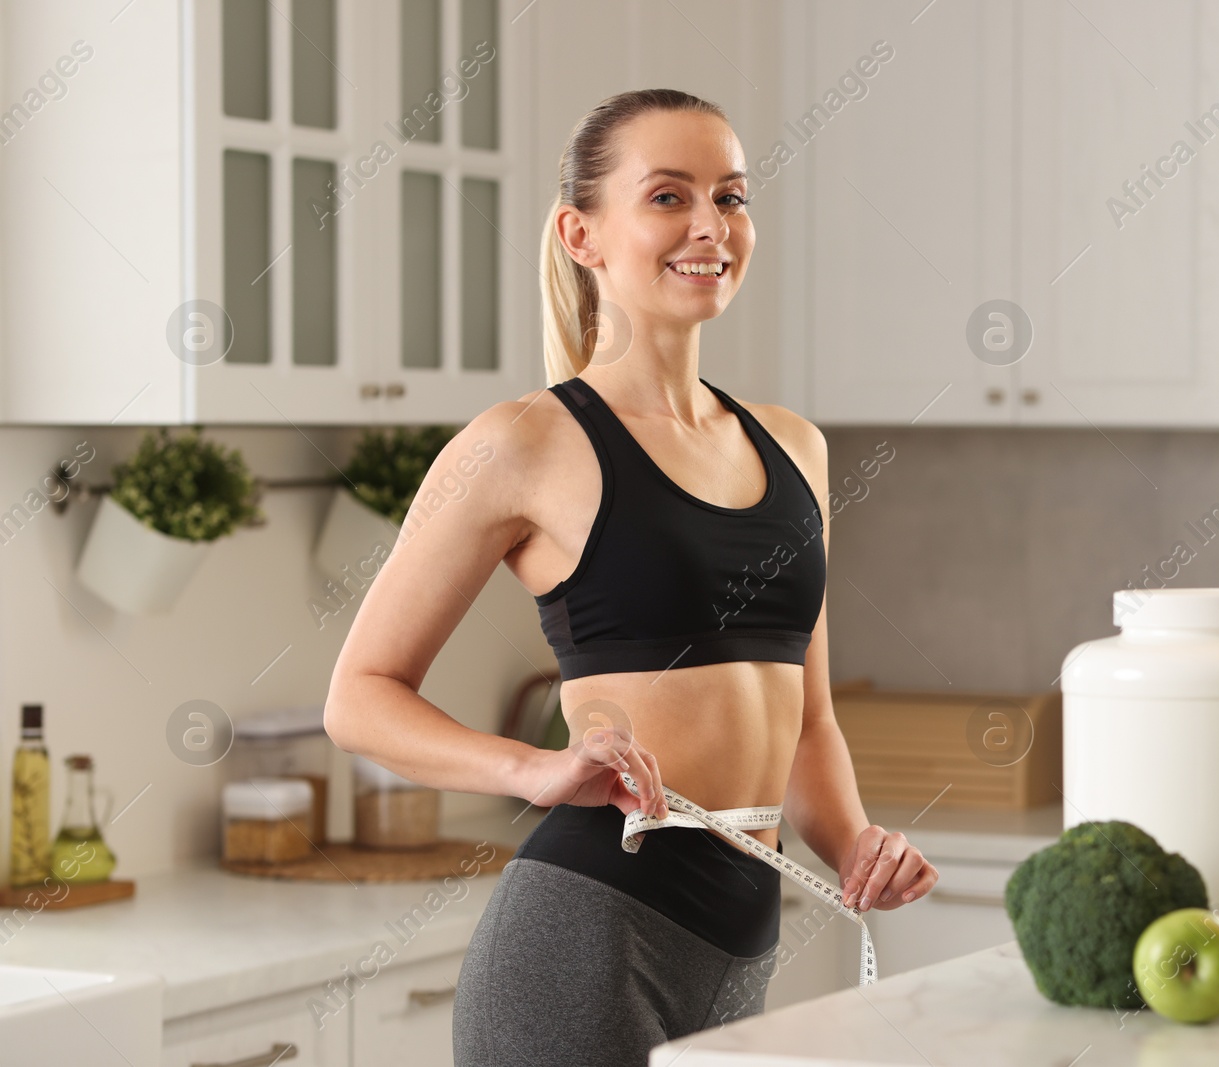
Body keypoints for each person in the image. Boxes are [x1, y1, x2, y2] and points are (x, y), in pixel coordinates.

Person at [322, 88, 938, 1067]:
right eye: (667, 196)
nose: (710, 226)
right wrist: (532, 770)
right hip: (589, 929)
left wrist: (856, 841)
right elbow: (359, 697)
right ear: (583, 233)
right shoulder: (522, 443)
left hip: (743, 942)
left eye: (731, 197)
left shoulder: (795, 446)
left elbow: (807, 719)